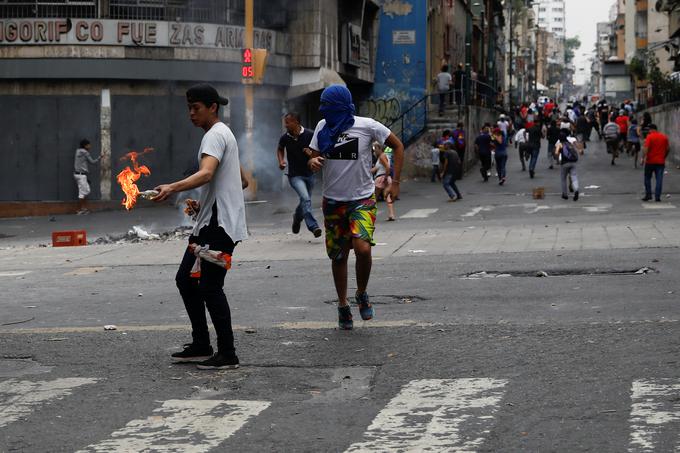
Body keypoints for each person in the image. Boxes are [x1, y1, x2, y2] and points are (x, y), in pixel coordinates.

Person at [153, 83, 246, 370]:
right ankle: (201, 343)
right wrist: (202, 203)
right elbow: (239, 180)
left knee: (209, 286)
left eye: (196, 108)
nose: (191, 114)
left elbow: (206, 174)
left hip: (219, 227)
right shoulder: (222, 135)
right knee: (186, 279)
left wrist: (173, 187)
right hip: (210, 223)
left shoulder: (214, 136)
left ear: (212, 108)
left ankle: (227, 353)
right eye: (189, 108)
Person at [307, 85, 404, 330]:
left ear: (341, 106)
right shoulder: (322, 126)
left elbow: (398, 146)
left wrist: (396, 183)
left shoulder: (368, 125)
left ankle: (361, 292)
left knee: (362, 249)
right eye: (322, 106)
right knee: (338, 256)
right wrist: (313, 160)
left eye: (328, 106)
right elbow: (314, 154)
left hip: (361, 199)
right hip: (333, 201)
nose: (323, 110)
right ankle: (342, 305)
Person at [276, 112, 322, 238]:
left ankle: (297, 218)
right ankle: (313, 226)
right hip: (295, 176)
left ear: (296, 122)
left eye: (288, 122)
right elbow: (280, 148)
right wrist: (281, 161)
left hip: (309, 174)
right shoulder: (285, 138)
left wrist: (310, 154)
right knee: (306, 199)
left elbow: (318, 154)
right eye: (285, 122)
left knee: (304, 200)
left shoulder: (310, 135)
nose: (286, 125)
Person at [641, 124, 670, 202]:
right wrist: (664, 156)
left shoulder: (649, 137)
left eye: (649, 130)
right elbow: (668, 149)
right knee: (659, 179)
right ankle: (657, 197)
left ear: (651, 129)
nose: (648, 131)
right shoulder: (664, 137)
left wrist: (643, 158)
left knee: (647, 178)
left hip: (650, 161)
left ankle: (648, 195)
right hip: (660, 162)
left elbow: (646, 148)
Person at [554, 129, 583, 201]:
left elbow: (556, 153)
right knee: (574, 177)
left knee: (563, 179)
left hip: (564, 163)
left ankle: (565, 194)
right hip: (573, 162)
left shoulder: (559, 144)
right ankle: (576, 190)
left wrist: (557, 159)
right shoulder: (569, 143)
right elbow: (577, 149)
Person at [73, 139, 100, 215]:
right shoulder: (85, 152)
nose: (90, 146)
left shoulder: (78, 151)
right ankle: (79, 210)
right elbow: (92, 162)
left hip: (78, 174)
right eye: (89, 145)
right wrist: (99, 158)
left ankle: (83, 208)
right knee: (83, 193)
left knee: (85, 191)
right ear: (85, 145)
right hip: (81, 175)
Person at [372, 143, 396, 220]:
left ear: (379, 148)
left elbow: (388, 167)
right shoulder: (381, 157)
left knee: (373, 197)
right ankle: (391, 214)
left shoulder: (382, 156)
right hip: (386, 177)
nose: (374, 150)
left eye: (375, 148)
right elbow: (375, 169)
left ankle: (370, 215)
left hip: (381, 178)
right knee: (387, 196)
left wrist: (385, 178)